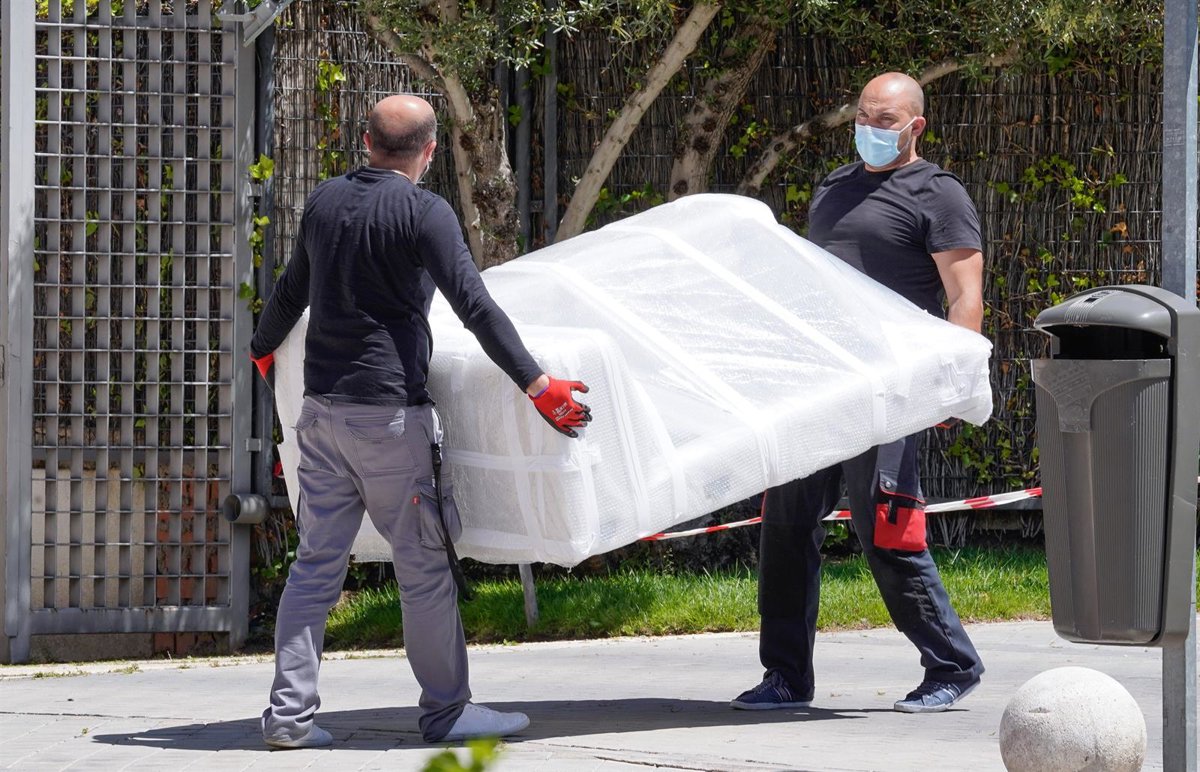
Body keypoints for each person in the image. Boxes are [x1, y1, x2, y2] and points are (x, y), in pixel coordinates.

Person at [249, 94, 592, 748]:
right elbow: (474, 306)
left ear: (365, 141)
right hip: (388, 420)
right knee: (424, 568)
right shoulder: (424, 212)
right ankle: (447, 712)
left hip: (320, 413)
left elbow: (293, 289)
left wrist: (262, 350)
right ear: (430, 151)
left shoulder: (323, 202)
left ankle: (289, 719)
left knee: (315, 568)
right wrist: (538, 384)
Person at [732, 72, 985, 714]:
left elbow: (964, 297)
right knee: (784, 530)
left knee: (887, 531)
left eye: (884, 120)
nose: (869, 128)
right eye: (863, 117)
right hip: (817, 387)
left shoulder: (939, 194)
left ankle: (952, 666)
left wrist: (951, 388)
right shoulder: (834, 187)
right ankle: (786, 676)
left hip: (890, 390)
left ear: (915, 126)